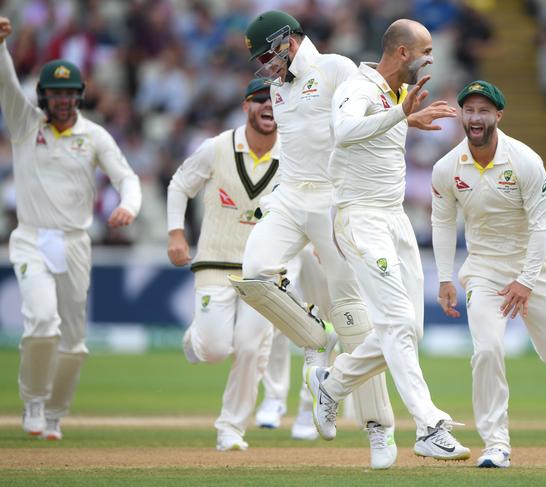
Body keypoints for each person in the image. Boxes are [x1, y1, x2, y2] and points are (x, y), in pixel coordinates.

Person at [229, 10, 398, 470]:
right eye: (260, 60)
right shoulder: (279, 90)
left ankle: (378, 429)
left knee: (351, 316)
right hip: (289, 196)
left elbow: (377, 114)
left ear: (289, 41)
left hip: (333, 200)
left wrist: (404, 120)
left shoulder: (337, 69)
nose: (266, 67)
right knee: (255, 274)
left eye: (268, 54)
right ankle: (313, 343)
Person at [306, 19, 471, 462]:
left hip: (394, 219)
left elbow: (374, 136)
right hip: (360, 220)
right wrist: (401, 115)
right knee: (397, 323)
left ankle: (333, 384)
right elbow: (344, 131)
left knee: (408, 329)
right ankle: (428, 425)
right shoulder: (358, 87)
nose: (431, 59)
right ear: (402, 53)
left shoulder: (396, 94)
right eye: (426, 51)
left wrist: (404, 115)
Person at [0, 16, 142, 440]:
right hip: (30, 238)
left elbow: (127, 178)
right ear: (42, 96)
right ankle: (33, 402)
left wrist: (129, 207)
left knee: (74, 343)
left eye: (69, 94)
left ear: (79, 96)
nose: (62, 101)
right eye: (54, 94)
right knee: (41, 322)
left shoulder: (94, 136)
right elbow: (6, 85)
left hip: (76, 243)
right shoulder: (27, 126)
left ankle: (55, 415)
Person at [431, 80, 546, 468]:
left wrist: (527, 281)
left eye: (483, 111)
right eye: (469, 110)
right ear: (461, 115)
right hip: (484, 273)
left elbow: (543, 226)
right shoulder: (447, 168)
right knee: (488, 349)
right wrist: (445, 277)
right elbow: (442, 223)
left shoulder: (525, 161)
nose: (475, 118)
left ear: (498, 115)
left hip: (533, 269)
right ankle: (496, 443)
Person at [166, 79, 281, 451]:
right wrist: (176, 234)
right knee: (215, 349)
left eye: (276, 100)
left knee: (249, 350)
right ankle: (195, 340)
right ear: (246, 106)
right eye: (260, 100)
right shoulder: (216, 148)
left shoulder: (293, 155)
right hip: (216, 261)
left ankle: (231, 428)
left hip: (263, 271)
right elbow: (179, 185)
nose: (268, 106)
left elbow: (308, 204)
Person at [255, 244, 329, 441]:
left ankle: (310, 406)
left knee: (324, 324)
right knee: (277, 308)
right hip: (288, 236)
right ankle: (274, 396)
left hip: (321, 238)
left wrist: (326, 237)